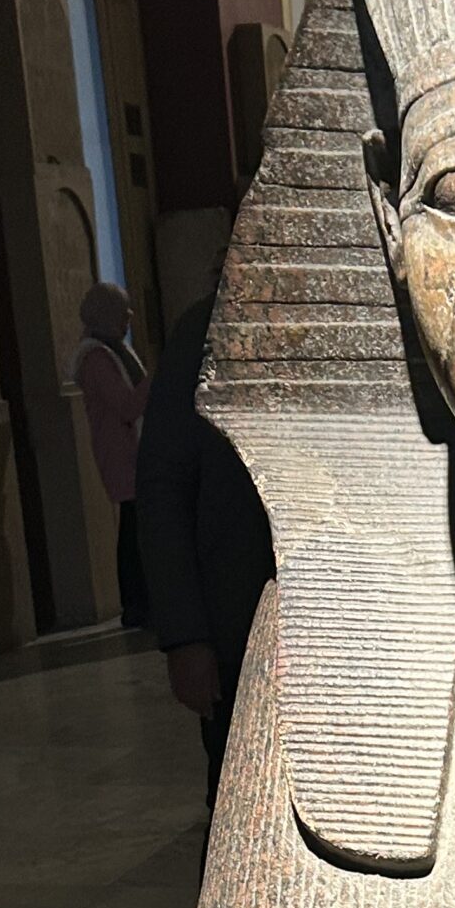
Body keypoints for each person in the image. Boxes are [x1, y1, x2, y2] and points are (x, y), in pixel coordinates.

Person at [133, 278, 276, 807]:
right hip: (240, 617)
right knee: (243, 803)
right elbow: (164, 487)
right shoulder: (207, 327)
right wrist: (186, 637)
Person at [72, 282, 151, 629]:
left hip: (133, 450)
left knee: (137, 527)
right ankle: (135, 604)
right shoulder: (96, 358)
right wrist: (156, 379)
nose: (129, 318)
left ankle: (142, 601)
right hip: (122, 453)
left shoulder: (115, 350)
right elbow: (125, 405)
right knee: (133, 531)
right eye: (122, 312)